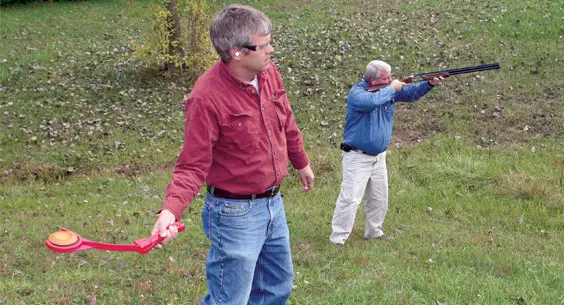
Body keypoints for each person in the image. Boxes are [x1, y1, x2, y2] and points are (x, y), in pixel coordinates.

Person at [151, 4, 315, 305]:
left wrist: (300, 160)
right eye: (264, 45)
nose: (271, 50)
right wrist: (170, 211)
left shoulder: (268, 73)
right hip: (234, 214)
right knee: (229, 300)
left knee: (276, 289)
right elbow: (192, 165)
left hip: (273, 204)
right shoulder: (207, 98)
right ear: (237, 52)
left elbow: (286, 118)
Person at [329, 60, 441, 246]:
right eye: (386, 77)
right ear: (372, 80)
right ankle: (338, 238)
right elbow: (371, 102)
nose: (390, 80)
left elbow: (411, 94)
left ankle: (374, 232)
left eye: (390, 77)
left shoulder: (386, 90)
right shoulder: (358, 94)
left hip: (378, 157)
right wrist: (392, 88)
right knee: (350, 199)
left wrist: (429, 84)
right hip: (357, 156)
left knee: (379, 197)